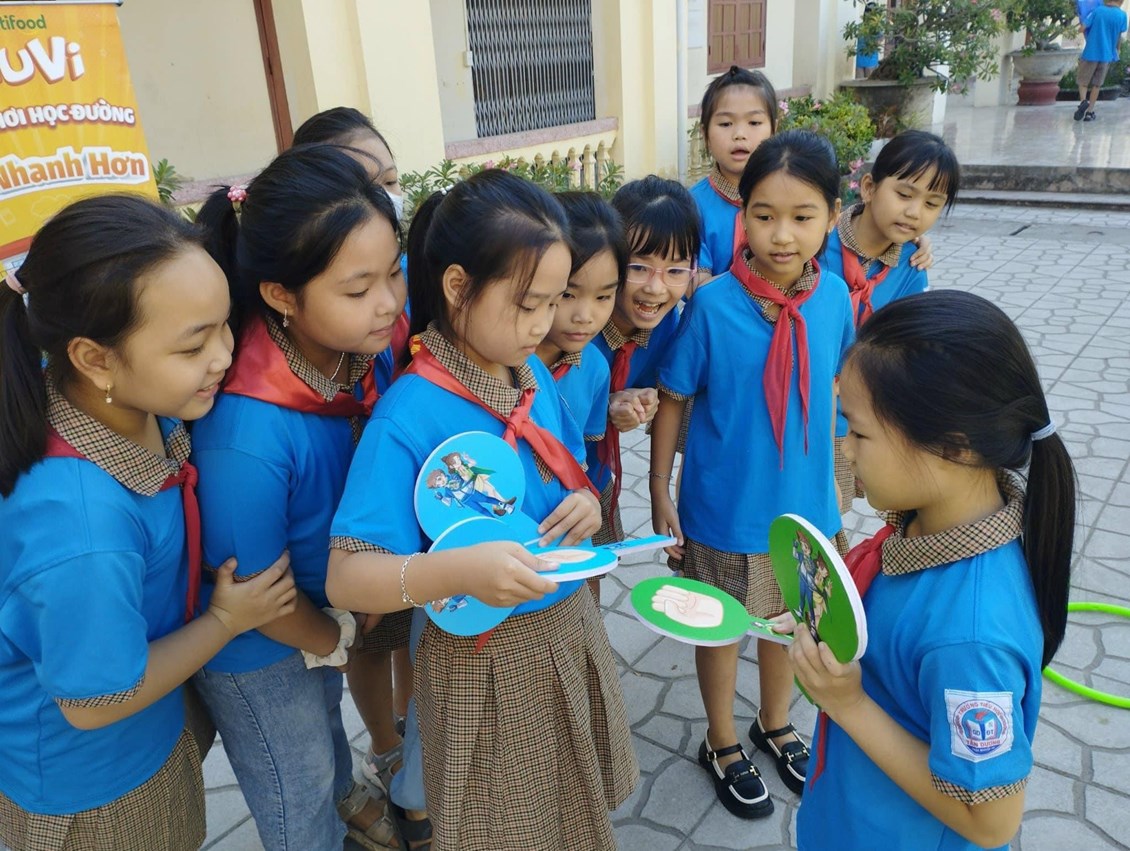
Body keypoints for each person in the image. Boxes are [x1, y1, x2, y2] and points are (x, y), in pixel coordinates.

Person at [325, 169, 638, 851]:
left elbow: (565, 475)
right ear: (458, 285)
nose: (545, 323)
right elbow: (347, 576)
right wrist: (460, 571)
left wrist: (585, 504)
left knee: (569, 815)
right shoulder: (408, 414)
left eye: (554, 300)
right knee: (507, 828)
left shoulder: (530, 373)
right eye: (528, 303)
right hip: (486, 662)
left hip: (565, 626)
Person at [0, 195, 296, 851]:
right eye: (193, 344)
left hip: (149, 735)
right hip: (98, 791)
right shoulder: (81, 529)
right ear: (95, 358)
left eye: (225, 326)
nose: (224, 355)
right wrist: (225, 621)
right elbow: (95, 702)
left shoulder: (133, 405)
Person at [786, 289, 1075, 851]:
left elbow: (991, 822)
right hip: (850, 816)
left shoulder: (970, 636)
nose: (845, 450)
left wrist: (848, 704)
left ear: (954, 447)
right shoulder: (925, 524)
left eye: (859, 432)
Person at [192, 144, 406, 851]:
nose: (388, 303)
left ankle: (346, 799)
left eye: (393, 273)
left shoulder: (348, 353)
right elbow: (255, 590)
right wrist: (335, 640)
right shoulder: (246, 433)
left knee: (325, 737)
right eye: (358, 289)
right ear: (282, 295)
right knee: (296, 787)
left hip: (321, 614)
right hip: (262, 644)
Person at [651, 130, 854, 817]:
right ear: (743, 215)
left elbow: (842, 388)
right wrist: (658, 487)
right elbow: (674, 396)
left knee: (790, 625)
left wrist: (847, 472)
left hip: (805, 511)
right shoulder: (712, 306)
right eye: (764, 215)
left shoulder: (835, 300)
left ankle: (776, 722)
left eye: (802, 216)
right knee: (721, 628)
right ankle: (720, 739)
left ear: (832, 216)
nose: (781, 234)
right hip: (724, 510)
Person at [291, 105, 415, 798]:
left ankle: (417, 739)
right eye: (363, 182)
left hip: (409, 500)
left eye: (390, 180)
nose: (383, 196)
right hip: (348, 517)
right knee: (368, 636)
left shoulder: (398, 282)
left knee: (408, 627)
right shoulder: (316, 322)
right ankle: (388, 747)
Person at [819, 129, 959, 514]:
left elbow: (904, 351)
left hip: (847, 421)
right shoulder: (816, 240)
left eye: (932, 203)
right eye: (904, 194)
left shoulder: (911, 270)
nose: (915, 212)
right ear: (868, 188)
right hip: (793, 405)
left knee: (824, 520)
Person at [589, 176, 700, 545]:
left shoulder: (669, 326)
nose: (655, 288)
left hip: (598, 477)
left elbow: (654, 392)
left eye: (675, 270)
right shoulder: (577, 324)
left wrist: (642, 399)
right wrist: (605, 406)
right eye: (638, 267)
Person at [538, 191, 625, 596]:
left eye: (604, 296)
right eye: (568, 295)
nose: (585, 316)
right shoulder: (504, 362)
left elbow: (585, 455)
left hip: (569, 517)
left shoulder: (594, 367)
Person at [690, 66, 778, 284]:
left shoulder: (790, 196)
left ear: (774, 130)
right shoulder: (691, 206)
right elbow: (696, 285)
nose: (739, 134)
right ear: (705, 134)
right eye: (726, 124)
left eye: (754, 123)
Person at [1074, 0, 1128, 122]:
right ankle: (1089, 113)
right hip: (1107, 55)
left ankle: (1083, 102)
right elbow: (1119, 36)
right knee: (1097, 85)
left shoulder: (1097, 11)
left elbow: (1082, 29)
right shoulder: (1122, 15)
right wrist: (1117, 50)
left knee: (1083, 82)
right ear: (1121, 1)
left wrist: (1082, 21)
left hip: (1090, 53)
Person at [855, 2, 882, 79]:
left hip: (871, 62)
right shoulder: (860, 26)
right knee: (859, 84)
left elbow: (880, 39)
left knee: (870, 82)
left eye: (871, 12)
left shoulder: (877, 28)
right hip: (859, 61)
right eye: (867, 11)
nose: (869, 14)